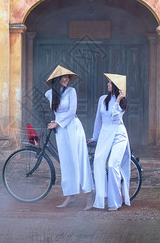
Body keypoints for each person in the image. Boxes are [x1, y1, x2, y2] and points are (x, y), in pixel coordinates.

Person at [45, 65, 95, 210]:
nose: (67, 79)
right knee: (66, 163)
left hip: (73, 128)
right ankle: (70, 196)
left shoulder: (71, 91)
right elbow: (57, 113)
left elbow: (73, 111)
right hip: (61, 131)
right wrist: (56, 123)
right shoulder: (50, 94)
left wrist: (58, 123)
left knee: (80, 160)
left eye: (67, 77)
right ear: (57, 79)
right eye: (64, 77)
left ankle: (89, 194)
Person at [88, 73, 131, 211]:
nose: (107, 85)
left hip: (119, 135)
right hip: (105, 135)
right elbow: (98, 120)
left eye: (110, 83)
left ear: (116, 86)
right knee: (98, 161)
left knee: (113, 165)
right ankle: (101, 198)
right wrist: (95, 137)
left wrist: (118, 100)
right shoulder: (102, 99)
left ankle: (115, 202)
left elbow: (114, 117)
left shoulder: (123, 103)